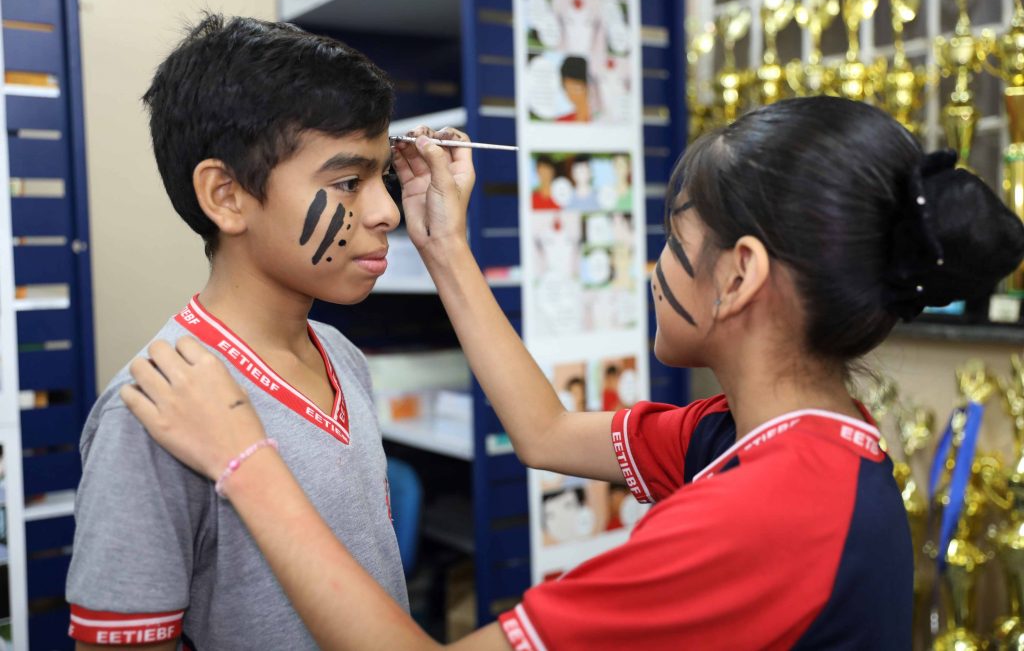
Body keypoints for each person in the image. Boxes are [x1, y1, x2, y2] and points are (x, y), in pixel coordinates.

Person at [124, 97, 1024, 650]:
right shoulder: (769, 438)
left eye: (677, 246)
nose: (653, 270)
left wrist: (244, 457)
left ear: (740, 275)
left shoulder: (769, 515)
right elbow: (545, 434)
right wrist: (445, 246)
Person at [65, 14, 407, 650]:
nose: (388, 210)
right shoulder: (154, 408)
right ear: (226, 195)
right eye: (348, 182)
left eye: (382, 177)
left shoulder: (341, 355)